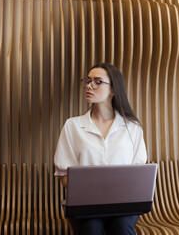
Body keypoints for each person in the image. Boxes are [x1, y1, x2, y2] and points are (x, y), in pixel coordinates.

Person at [54, 63, 147, 235]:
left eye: (97, 82)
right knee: (92, 228)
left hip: (124, 203)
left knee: (121, 227)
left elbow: (139, 176)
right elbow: (64, 177)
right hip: (85, 204)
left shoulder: (133, 128)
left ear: (113, 90)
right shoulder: (73, 126)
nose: (89, 86)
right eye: (88, 81)